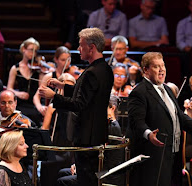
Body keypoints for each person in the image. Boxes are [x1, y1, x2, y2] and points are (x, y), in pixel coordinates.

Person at [127, 52, 192, 186]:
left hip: (173, 151)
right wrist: (148, 134)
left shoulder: (168, 90)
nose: (161, 70)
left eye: (163, 65)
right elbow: (136, 121)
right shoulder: (139, 92)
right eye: (156, 66)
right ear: (145, 70)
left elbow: (179, 116)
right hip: (154, 153)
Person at [38, 27, 114, 186]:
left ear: (91, 47)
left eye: (81, 45)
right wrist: (63, 86)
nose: (78, 49)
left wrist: (54, 96)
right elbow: (87, 94)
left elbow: (79, 104)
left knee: (85, 181)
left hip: (87, 137)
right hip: (96, 135)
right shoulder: (105, 69)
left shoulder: (92, 71)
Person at [7, 37, 42, 127]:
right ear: (24, 49)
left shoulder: (38, 68)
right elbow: (9, 88)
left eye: (35, 51)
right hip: (20, 103)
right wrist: (18, 93)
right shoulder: (15, 68)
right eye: (31, 50)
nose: (33, 53)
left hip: (34, 104)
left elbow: (41, 87)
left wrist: (43, 72)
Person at [33, 46, 72, 117]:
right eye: (63, 60)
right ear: (56, 59)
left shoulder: (71, 76)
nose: (67, 63)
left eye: (68, 60)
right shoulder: (49, 76)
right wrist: (40, 107)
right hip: (51, 112)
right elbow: (36, 96)